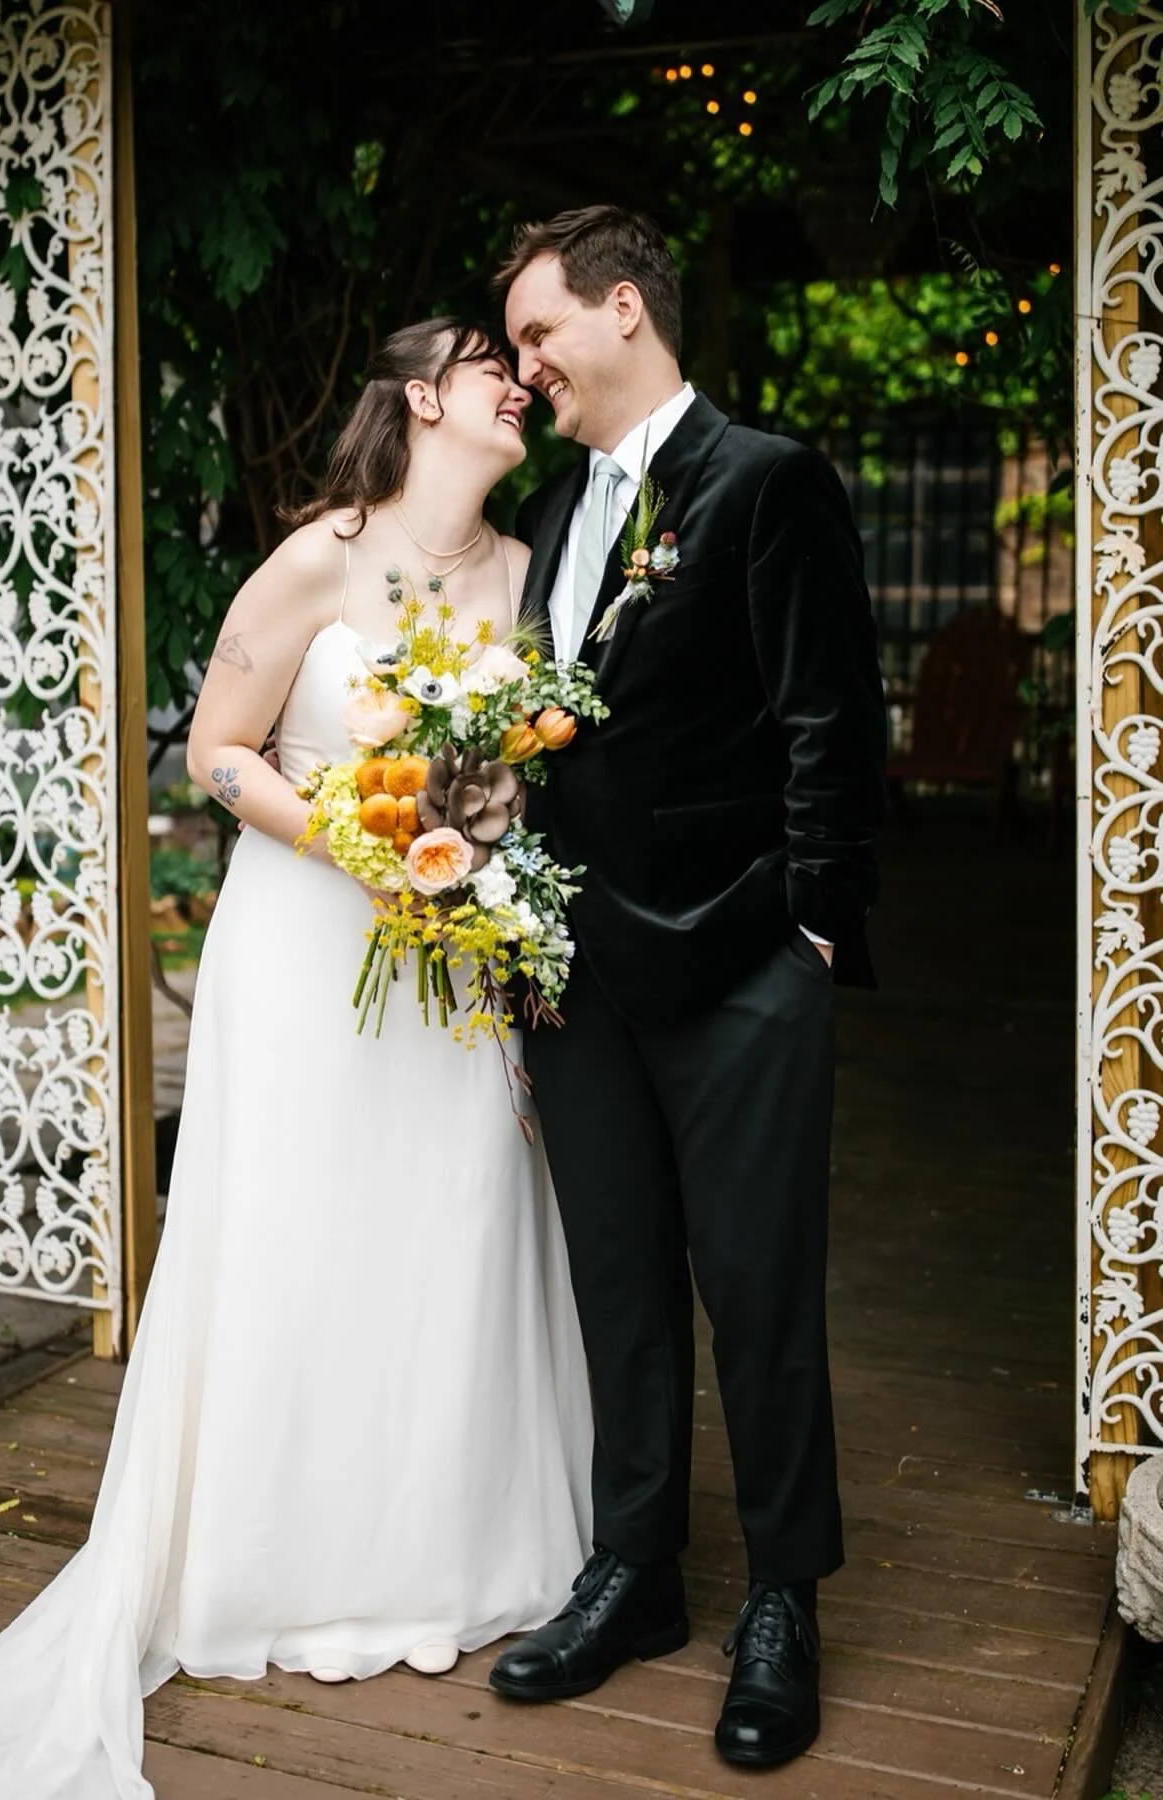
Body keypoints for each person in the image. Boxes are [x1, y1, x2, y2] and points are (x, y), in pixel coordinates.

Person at [0, 319, 593, 1800]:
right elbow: (215, 746)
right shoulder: (319, 554)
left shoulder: (525, 577)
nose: (513, 378)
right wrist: (360, 837)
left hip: (449, 943)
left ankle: (455, 1551)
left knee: (457, 1217)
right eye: (481, 359)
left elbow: (518, 768)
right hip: (309, 944)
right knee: (302, 1229)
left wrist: (470, 851)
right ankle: (279, 1559)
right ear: (416, 399)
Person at [489, 205, 887, 1769]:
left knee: (760, 1289)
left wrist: (815, 930)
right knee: (620, 1287)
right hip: (577, 973)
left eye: (539, 333)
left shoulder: (766, 480)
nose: (527, 369)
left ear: (628, 308)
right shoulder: (560, 514)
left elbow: (828, 723)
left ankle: (784, 1596)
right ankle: (636, 1572)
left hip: (740, 967)